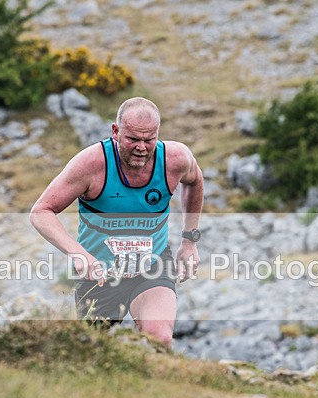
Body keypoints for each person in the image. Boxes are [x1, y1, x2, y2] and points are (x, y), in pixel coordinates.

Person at [29, 97, 204, 347]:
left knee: (160, 338)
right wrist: (79, 254)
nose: (141, 148)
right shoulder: (91, 164)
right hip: (100, 274)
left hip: (151, 267)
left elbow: (195, 180)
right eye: (133, 139)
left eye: (149, 139)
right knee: (93, 351)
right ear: (115, 131)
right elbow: (41, 211)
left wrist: (189, 241)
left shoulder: (175, 159)